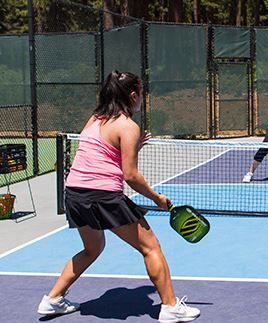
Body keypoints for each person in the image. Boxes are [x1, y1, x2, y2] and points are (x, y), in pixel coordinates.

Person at [37, 71, 200, 323]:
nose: (142, 99)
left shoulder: (94, 119)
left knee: (92, 248)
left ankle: (53, 299)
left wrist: (132, 146)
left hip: (74, 194)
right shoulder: (128, 126)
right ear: (133, 95)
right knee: (151, 247)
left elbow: (100, 151)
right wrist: (157, 198)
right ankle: (170, 307)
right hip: (103, 196)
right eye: (141, 93)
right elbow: (130, 175)